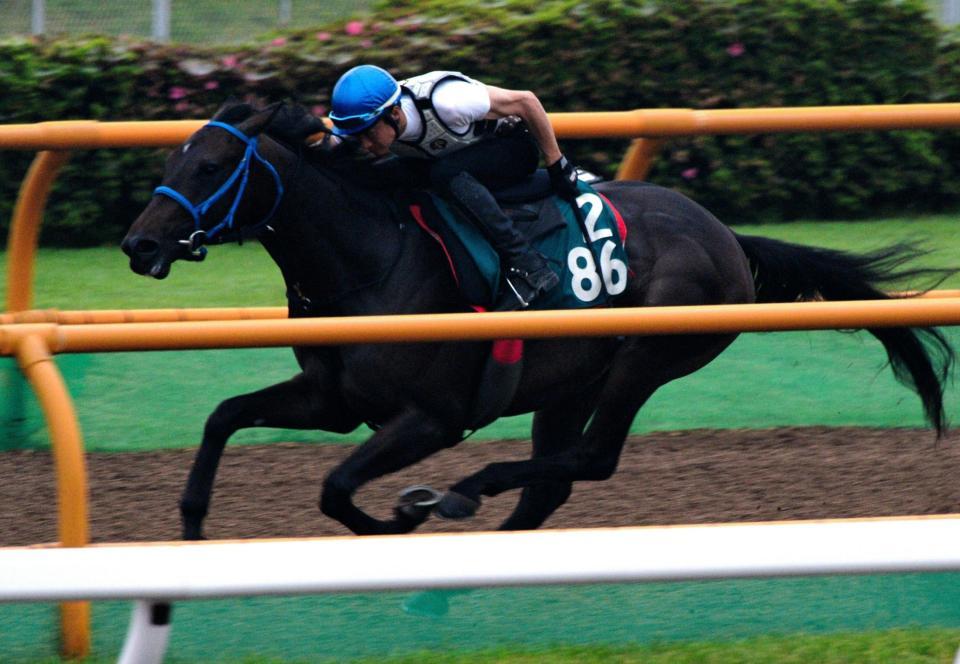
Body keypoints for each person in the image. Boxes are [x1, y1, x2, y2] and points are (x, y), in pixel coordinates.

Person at [328, 64, 580, 309]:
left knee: (444, 173)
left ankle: (528, 263)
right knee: (375, 173)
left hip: (512, 149)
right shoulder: (380, 120)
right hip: (452, 158)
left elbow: (526, 101)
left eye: (368, 134)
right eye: (355, 135)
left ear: (394, 114)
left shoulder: (448, 101)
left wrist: (556, 163)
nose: (364, 144)